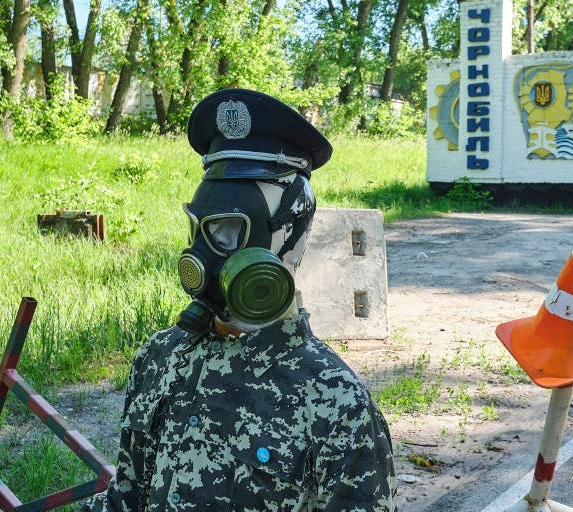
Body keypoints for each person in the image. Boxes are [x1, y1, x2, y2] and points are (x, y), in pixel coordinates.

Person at [84, 88, 396, 511]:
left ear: (290, 238)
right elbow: (126, 497)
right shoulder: (161, 358)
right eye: (200, 231)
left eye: (229, 232)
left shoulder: (335, 402)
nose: (204, 256)